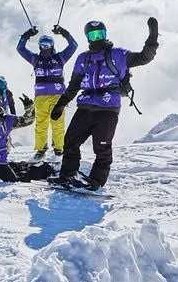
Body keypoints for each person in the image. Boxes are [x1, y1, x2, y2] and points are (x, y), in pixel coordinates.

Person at [50, 18, 159, 190]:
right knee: (70, 142)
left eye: (100, 34)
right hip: (85, 108)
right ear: (87, 38)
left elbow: (144, 58)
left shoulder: (119, 55)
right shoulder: (83, 59)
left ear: (105, 34)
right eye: (92, 35)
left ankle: (96, 181)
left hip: (108, 109)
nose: (97, 38)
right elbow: (74, 85)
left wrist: (153, 38)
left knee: (102, 147)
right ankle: (67, 175)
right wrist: (61, 104)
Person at [16, 25, 78, 159]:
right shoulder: (35, 59)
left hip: (58, 97)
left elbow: (73, 46)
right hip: (41, 98)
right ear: (39, 46)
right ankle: (41, 148)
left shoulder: (60, 58)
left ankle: (59, 148)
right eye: (43, 44)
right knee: (41, 124)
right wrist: (27, 35)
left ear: (52, 45)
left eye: (48, 44)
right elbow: (20, 49)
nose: (45, 47)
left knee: (58, 123)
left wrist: (63, 32)